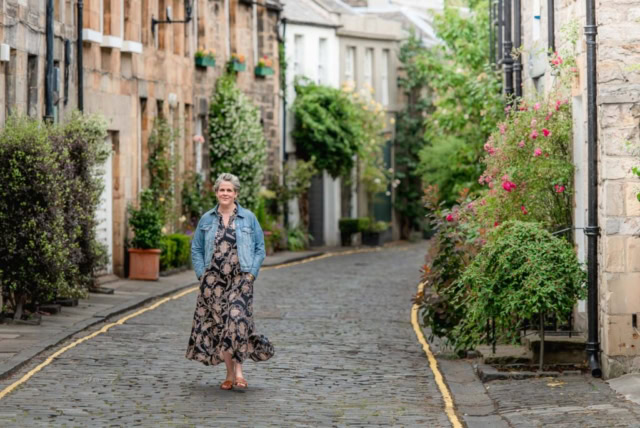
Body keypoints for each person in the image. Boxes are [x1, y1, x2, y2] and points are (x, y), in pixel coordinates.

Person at [185, 172, 274, 390]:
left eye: (229, 190)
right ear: (216, 193)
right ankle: (228, 374)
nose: (225, 193)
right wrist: (201, 274)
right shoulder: (207, 219)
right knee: (220, 327)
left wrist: (251, 274)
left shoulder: (249, 218)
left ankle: (240, 371)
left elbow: (259, 249)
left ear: (236, 194)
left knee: (237, 321)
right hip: (213, 282)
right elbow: (196, 248)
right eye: (221, 190)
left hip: (240, 279)